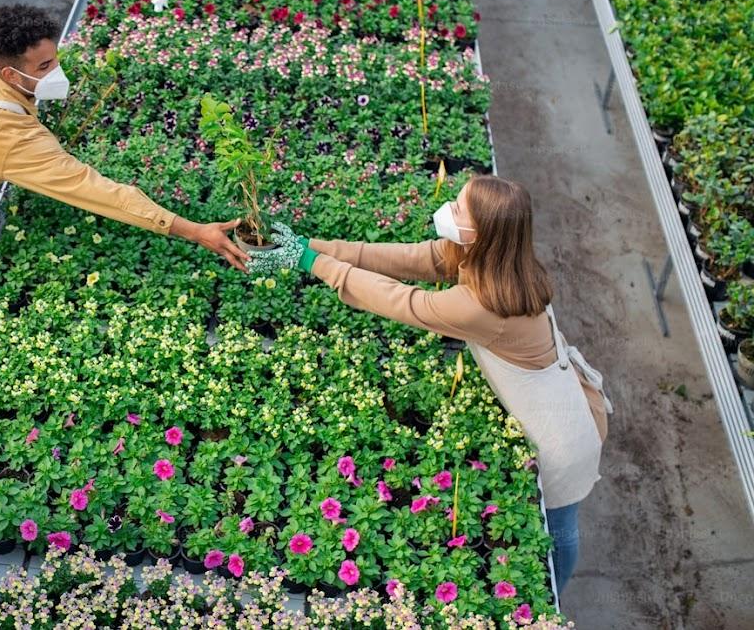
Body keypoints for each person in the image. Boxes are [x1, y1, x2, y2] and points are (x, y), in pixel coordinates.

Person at [0, 3, 249, 399]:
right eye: (44, 67)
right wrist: (193, 230)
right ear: (9, 72)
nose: (56, 72)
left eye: (54, 59)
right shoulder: (12, 140)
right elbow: (99, 192)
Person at [248, 175, 611, 594]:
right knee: (557, 525)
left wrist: (311, 262)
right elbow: (409, 259)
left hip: (561, 438)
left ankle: (556, 596)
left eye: (459, 210)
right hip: (558, 400)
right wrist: (313, 246)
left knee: (558, 529)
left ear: (484, 233)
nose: (449, 212)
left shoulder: (480, 305)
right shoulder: (502, 261)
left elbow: (401, 301)